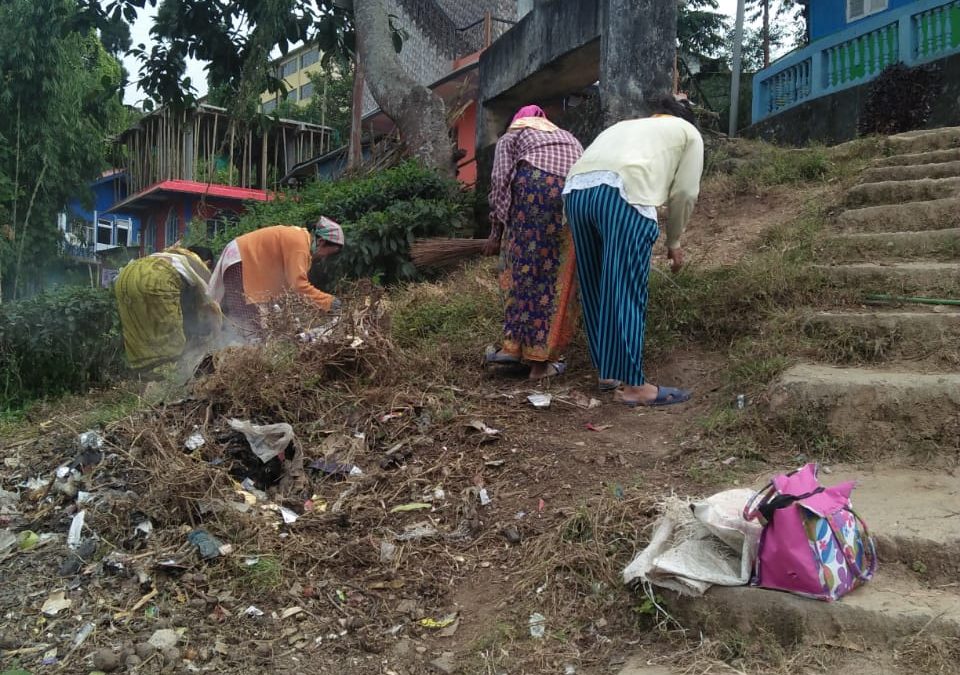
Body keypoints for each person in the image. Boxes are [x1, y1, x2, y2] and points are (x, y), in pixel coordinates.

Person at [562, 94, 704, 407]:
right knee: (626, 287)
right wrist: (674, 241)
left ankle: (608, 373)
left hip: (576, 192)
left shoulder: (624, 126)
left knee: (596, 284)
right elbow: (684, 192)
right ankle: (635, 387)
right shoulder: (689, 133)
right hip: (624, 193)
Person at [483, 104, 584, 380]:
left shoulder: (512, 136)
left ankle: (520, 351)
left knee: (523, 268)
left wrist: (496, 231)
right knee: (554, 274)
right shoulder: (567, 136)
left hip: (533, 188)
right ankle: (539, 357)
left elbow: (500, 181)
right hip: (573, 196)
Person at [208, 218, 344, 336]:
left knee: (254, 323)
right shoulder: (300, 246)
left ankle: (234, 346)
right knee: (248, 323)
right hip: (242, 259)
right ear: (321, 242)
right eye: (328, 253)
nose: (324, 257)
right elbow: (298, 286)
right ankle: (231, 350)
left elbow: (287, 289)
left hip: (243, 259)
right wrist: (328, 302)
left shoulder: (300, 241)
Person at [114, 247, 222, 370]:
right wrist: (218, 341)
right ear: (207, 263)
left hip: (126, 276)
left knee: (140, 329)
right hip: (157, 278)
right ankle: (170, 374)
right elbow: (212, 308)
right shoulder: (198, 267)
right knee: (171, 343)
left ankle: (142, 371)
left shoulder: (168, 256)